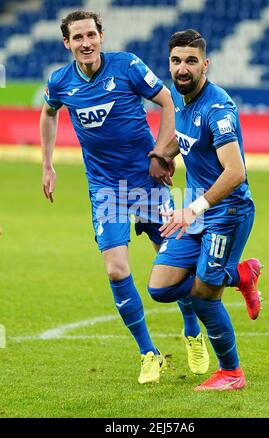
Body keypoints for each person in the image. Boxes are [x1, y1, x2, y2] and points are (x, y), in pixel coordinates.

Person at [40, 12, 209, 385]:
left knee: (175, 264)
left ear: (101, 37)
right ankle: (149, 354)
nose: (86, 43)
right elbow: (49, 113)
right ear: (67, 43)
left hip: (146, 184)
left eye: (91, 35)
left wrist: (162, 155)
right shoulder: (60, 82)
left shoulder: (127, 66)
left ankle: (192, 332)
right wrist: (47, 164)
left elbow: (168, 102)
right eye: (77, 37)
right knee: (116, 268)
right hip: (105, 190)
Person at [147, 29, 263, 391]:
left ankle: (232, 373)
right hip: (198, 215)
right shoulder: (183, 100)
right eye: (176, 61)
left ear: (205, 65)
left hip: (227, 214)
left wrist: (192, 208)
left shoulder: (218, 108)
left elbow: (236, 171)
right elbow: (185, 141)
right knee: (160, 288)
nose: (183, 69)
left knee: (203, 297)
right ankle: (240, 275)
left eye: (191, 61)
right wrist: (161, 156)